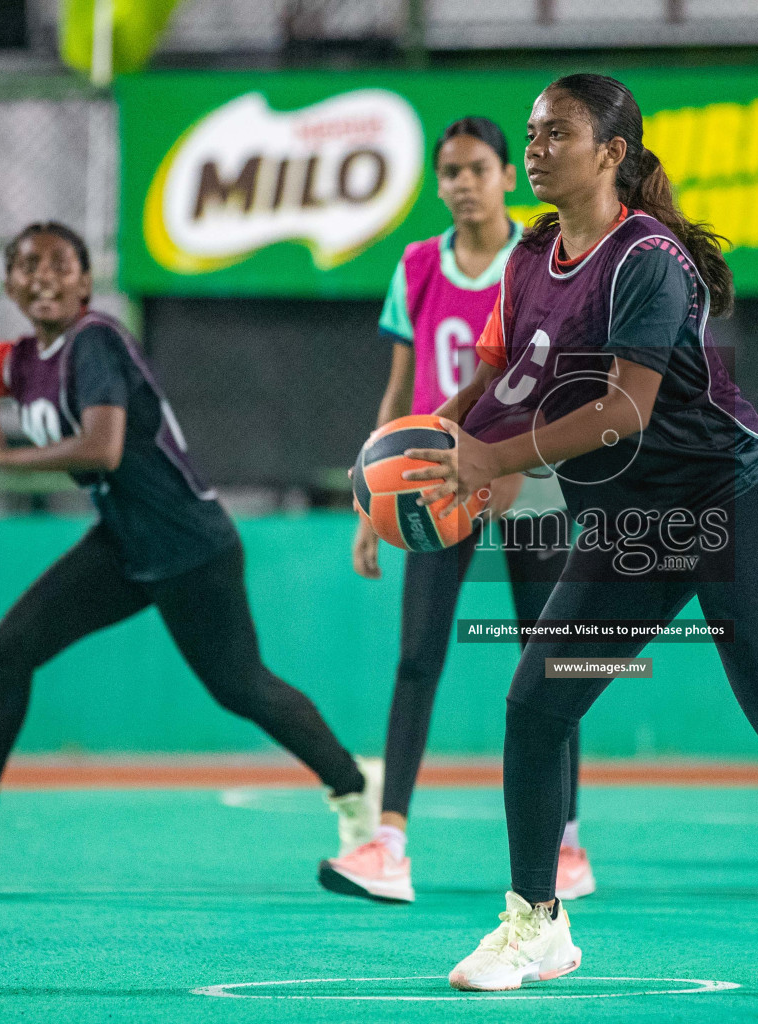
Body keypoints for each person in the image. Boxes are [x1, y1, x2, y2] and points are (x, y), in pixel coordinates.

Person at [402, 75, 758, 1000]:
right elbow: (498, 373)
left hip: (728, 500)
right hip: (627, 521)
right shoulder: (530, 257)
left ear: (611, 154)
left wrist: (499, 461)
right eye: (530, 133)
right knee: (535, 705)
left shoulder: (647, 259)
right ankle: (538, 921)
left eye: (555, 134)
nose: (534, 149)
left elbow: (622, 411)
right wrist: (428, 439)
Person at [0, 221, 380, 878]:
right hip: (123, 543)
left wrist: (3, 457)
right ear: (9, 285)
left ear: (85, 282)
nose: (44, 275)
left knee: (243, 688)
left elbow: (103, 446)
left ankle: (353, 788)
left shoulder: (96, 341)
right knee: (13, 646)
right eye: (28, 265)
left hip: (189, 544)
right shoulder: (20, 363)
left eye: (62, 264)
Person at [323, 117, 592, 905]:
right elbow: (403, 390)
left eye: (477, 169)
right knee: (417, 655)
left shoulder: (538, 260)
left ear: (508, 175)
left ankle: (569, 843)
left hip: (532, 473)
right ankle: (389, 843)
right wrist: (370, 501)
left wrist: (513, 466)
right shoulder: (415, 265)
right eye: (449, 172)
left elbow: (562, 381)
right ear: (437, 183)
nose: (462, 183)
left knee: (553, 657)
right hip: (436, 477)